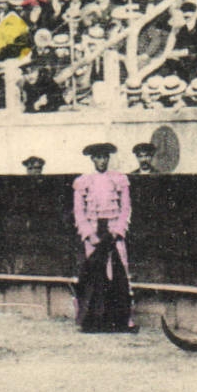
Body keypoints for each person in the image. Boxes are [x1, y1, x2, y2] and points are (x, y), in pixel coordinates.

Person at [72, 142, 135, 333]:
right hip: (94, 231)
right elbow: (79, 211)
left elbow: (125, 208)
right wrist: (89, 235)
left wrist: (117, 231)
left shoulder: (119, 179)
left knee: (119, 270)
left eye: (105, 157)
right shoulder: (83, 181)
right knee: (94, 274)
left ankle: (122, 320)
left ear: (109, 158)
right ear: (92, 159)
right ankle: (93, 320)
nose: (102, 161)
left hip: (113, 230)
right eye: (98, 157)